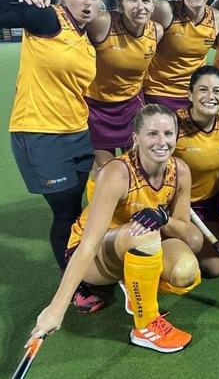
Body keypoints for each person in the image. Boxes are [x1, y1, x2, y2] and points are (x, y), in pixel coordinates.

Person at [29, 104, 201, 353]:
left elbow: (191, 238)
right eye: (152, 134)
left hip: (141, 247)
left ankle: (135, 282)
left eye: (168, 134)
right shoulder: (117, 173)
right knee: (145, 233)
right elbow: (88, 244)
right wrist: (56, 309)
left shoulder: (180, 171)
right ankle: (145, 327)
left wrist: (163, 217)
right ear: (136, 138)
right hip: (95, 255)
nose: (161, 141)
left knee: (185, 271)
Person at [0, 0, 102, 276]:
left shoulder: (86, 39)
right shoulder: (47, 18)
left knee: (77, 209)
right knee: (66, 212)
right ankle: (73, 280)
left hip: (78, 135)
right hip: (39, 134)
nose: (88, 1)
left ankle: (85, 269)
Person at [83, 0, 164, 171]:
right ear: (120, 3)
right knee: (106, 171)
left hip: (132, 107)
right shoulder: (102, 24)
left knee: (138, 168)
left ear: (153, 4)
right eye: (132, 0)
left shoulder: (157, 32)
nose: (140, 6)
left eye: (145, 0)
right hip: (97, 109)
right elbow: (68, 19)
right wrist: (39, 0)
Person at [174, 66, 219, 276]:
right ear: (190, 94)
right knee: (214, 267)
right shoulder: (175, 124)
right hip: (181, 206)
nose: (211, 97)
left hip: (212, 202)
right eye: (203, 90)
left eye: (217, 91)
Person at [144, 0, 219, 111]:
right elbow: (131, 15)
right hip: (159, 93)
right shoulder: (164, 10)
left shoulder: (217, 19)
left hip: (195, 96)